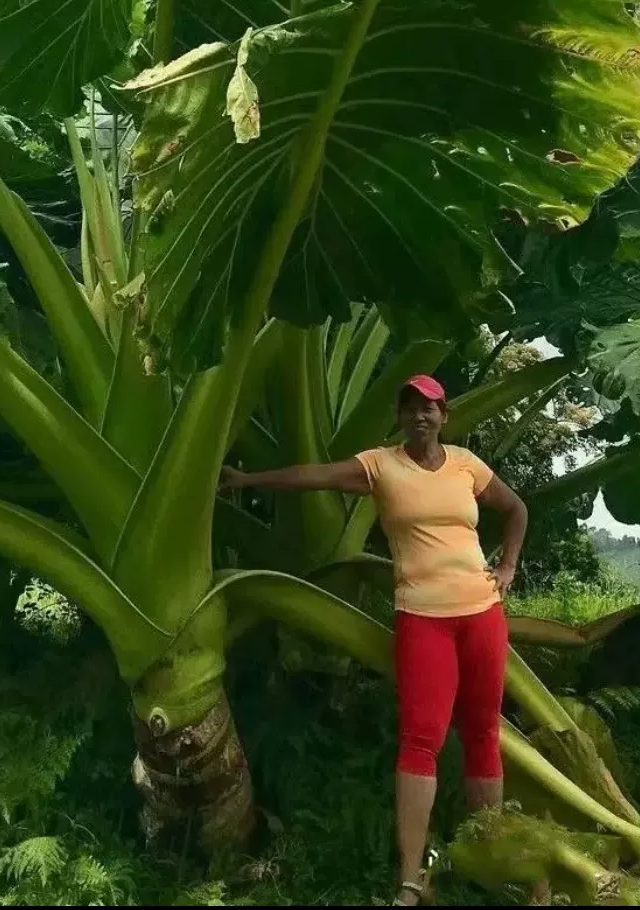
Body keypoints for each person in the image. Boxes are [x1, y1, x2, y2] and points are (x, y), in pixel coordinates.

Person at [220, 373, 528, 907]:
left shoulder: (466, 465)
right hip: (423, 619)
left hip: (482, 614)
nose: (420, 416)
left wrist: (507, 565)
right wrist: (248, 481)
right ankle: (412, 878)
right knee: (422, 739)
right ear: (402, 417)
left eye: (429, 408)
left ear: (444, 415)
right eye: (410, 408)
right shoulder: (380, 465)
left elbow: (516, 509)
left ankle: (491, 857)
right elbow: (315, 476)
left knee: (482, 731)